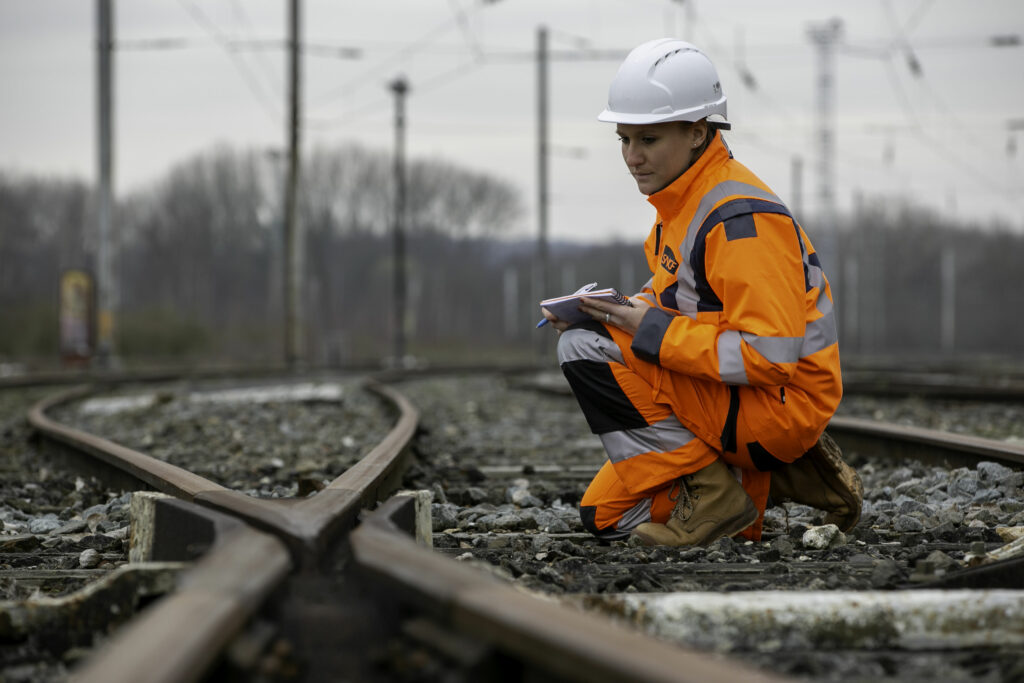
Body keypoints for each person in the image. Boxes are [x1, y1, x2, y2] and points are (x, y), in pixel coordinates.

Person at [541, 38, 862, 547]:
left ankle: (718, 493)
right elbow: (673, 302)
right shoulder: (681, 206)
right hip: (737, 396)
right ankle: (763, 483)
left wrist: (643, 328)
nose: (632, 157)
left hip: (775, 406)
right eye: (624, 139)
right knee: (605, 517)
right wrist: (608, 311)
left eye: (648, 139)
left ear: (696, 132)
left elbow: (769, 356)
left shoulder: (740, 222)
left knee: (581, 348)